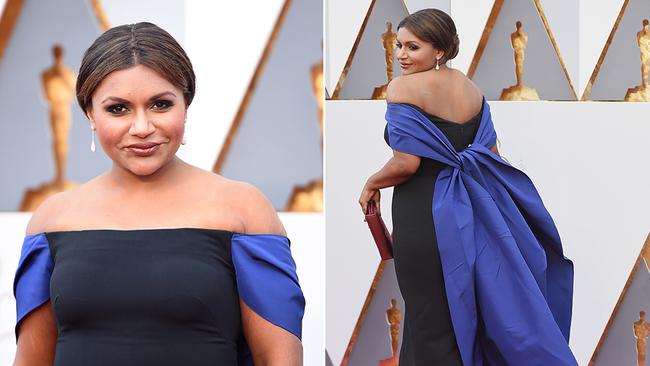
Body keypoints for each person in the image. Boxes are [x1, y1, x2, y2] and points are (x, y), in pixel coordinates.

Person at [13, 22, 305, 366]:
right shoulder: (52, 220)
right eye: (118, 109)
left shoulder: (242, 209)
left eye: (160, 104)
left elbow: (279, 358)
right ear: (90, 113)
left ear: (186, 105)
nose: (141, 128)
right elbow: (32, 360)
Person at [358, 9, 576, 365]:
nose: (401, 55)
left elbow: (407, 163)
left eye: (413, 47)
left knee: (428, 320)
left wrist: (372, 183)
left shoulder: (402, 88)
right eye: (399, 45)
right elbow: (492, 155)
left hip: (424, 218)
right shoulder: (470, 89)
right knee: (460, 315)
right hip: (464, 217)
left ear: (439, 51)